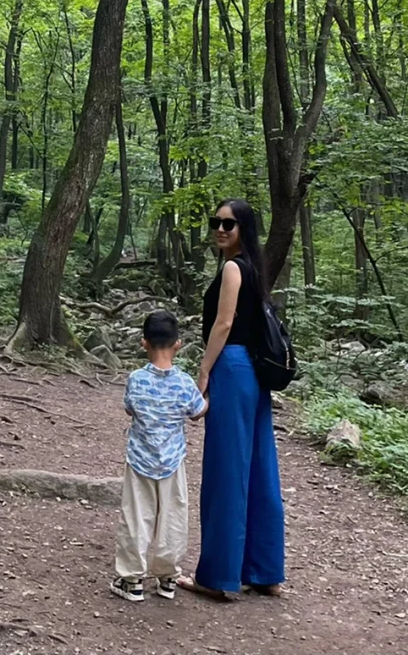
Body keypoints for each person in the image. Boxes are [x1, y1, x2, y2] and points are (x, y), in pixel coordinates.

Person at [178, 198, 285, 599]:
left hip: (232, 368)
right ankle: (264, 571)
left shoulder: (232, 269)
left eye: (230, 224)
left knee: (226, 471)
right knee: (259, 469)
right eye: (216, 222)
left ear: (244, 229)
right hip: (254, 375)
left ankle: (218, 577)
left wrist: (204, 371)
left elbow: (223, 324)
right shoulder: (255, 269)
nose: (221, 230)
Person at [111, 309, 207, 604]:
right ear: (178, 344)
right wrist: (208, 397)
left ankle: (132, 580)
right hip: (172, 462)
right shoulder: (184, 383)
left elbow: (129, 408)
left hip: (139, 460)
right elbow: (197, 413)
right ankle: (167, 578)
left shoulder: (136, 379)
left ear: (144, 343)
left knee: (136, 517)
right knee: (173, 517)